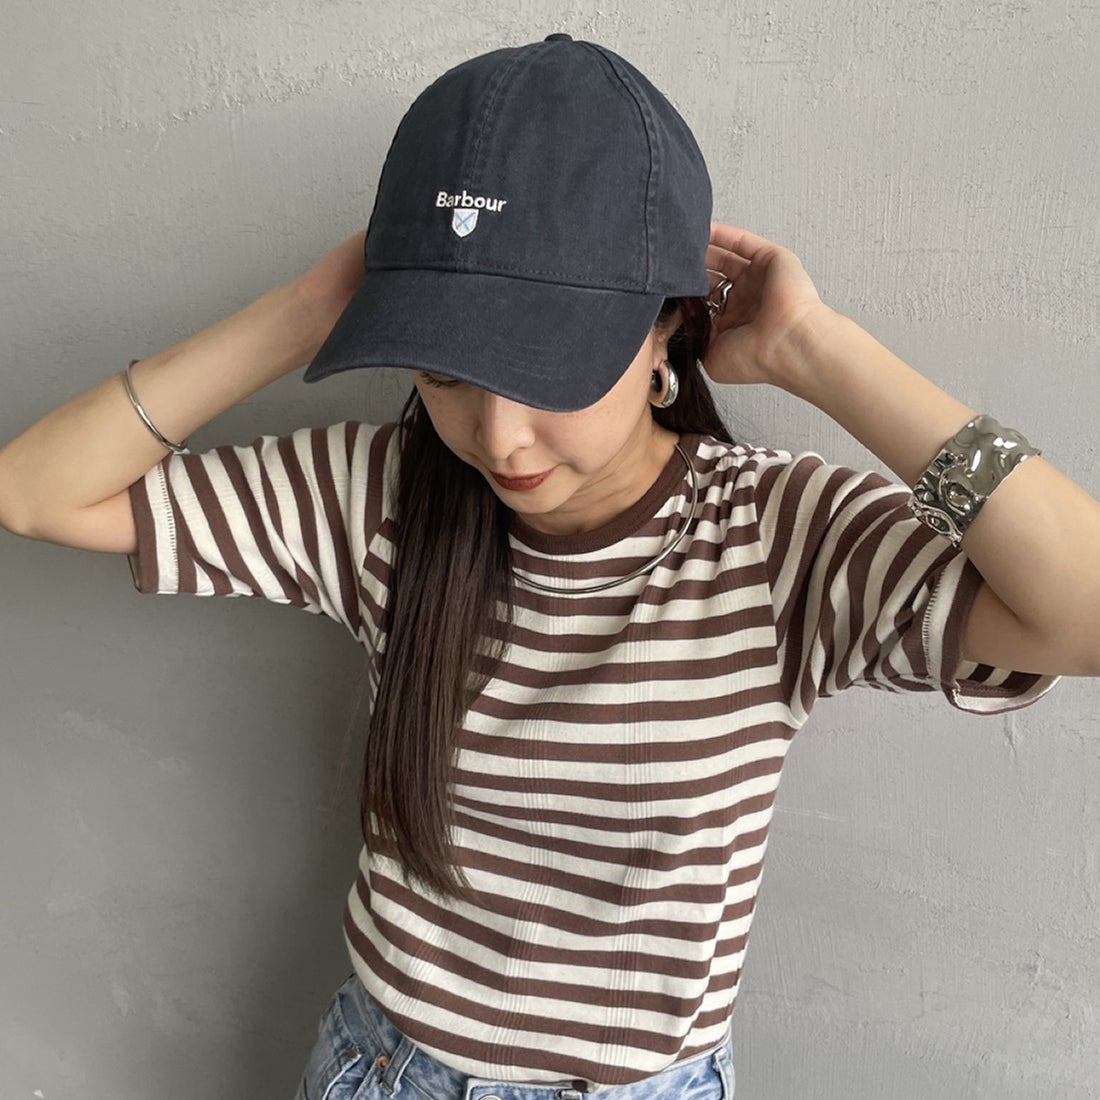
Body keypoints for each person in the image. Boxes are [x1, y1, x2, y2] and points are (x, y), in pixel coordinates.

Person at [1, 31, 1096, 1100]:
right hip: (384, 1070)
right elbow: (35, 491)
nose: (499, 438)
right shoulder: (382, 496)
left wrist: (821, 352)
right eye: (443, 368)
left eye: (546, 371)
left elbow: (1080, 613)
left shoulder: (774, 538)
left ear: (666, 329)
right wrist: (307, 316)